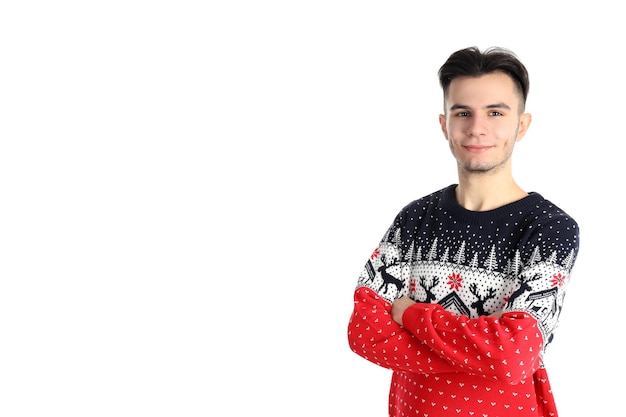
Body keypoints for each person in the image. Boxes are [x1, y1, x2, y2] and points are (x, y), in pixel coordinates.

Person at [347, 46, 580, 417]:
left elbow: (513, 356)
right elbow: (365, 333)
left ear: (521, 125)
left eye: (495, 112)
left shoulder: (549, 230)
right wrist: (481, 353)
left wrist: (409, 315)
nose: (477, 128)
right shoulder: (414, 220)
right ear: (445, 124)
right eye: (463, 113)